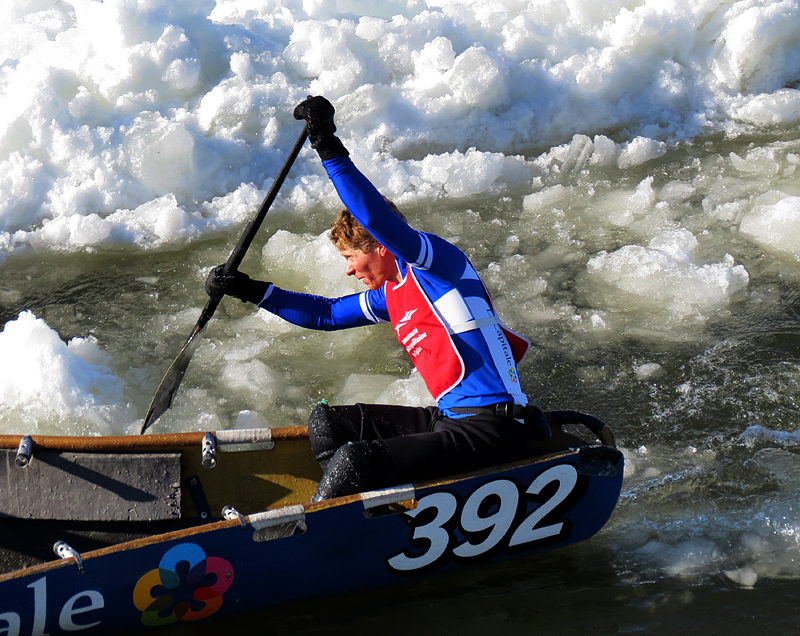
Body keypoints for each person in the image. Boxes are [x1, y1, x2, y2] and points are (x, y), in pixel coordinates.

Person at [206, 95, 550, 501]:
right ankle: (360, 510)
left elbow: (373, 218)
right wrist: (248, 290)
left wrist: (327, 146)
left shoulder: (438, 267)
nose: (349, 270)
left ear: (382, 247)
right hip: (449, 420)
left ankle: (325, 527)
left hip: (494, 429)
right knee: (328, 423)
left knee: (356, 460)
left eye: (352, 258)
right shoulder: (393, 295)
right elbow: (326, 314)